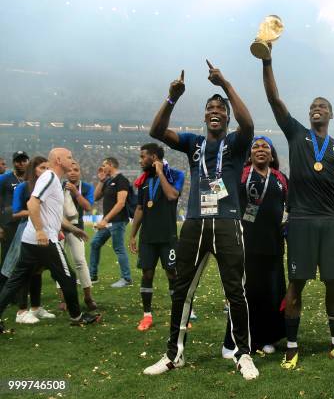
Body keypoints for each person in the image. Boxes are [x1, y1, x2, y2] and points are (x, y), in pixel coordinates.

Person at [143, 62, 259, 380]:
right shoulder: (193, 143)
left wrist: (226, 85)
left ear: (227, 116)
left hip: (227, 221)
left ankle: (243, 354)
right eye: (210, 107)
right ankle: (174, 354)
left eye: (220, 108)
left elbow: (248, 124)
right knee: (182, 290)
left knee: (235, 290)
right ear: (205, 115)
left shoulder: (235, 144)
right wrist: (171, 97)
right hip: (195, 222)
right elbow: (156, 132)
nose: (215, 111)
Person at [262, 50, 334, 370]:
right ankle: (291, 347)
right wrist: (267, 61)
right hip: (301, 221)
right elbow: (275, 100)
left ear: (330, 115)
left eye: (322, 107)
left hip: (330, 222)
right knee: (296, 284)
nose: (317, 109)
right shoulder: (296, 134)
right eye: (313, 107)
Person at [0, 148, 100, 334]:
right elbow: (32, 203)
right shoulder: (51, 178)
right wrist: (40, 231)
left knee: (16, 280)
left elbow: (50, 212)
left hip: (32, 239)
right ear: (59, 160)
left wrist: (72, 228)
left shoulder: (53, 179)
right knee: (68, 278)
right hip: (44, 239)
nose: (72, 160)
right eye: (69, 157)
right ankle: (77, 317)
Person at [221, 136, 288, 358]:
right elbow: (219, 192)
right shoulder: (239, 174)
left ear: (271, 154)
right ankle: (233, 341)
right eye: (256, 147)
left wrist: (287, 228)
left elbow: (292, 207)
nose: (260, 150)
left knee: (271, 292)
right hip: (244, 243)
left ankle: (266, 337)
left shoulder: (280, 178)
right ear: (249, 154)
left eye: (265, 147)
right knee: (244, 292)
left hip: (273, 245)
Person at [129, 143, 185, 331]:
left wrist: (160, 173)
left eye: (143, 156)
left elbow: (171, 196)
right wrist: (133, 235)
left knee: (172, 273)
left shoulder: (175, 175)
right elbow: (139, 209)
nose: (140, 160)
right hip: (148, 237)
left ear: (154, 157)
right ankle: (147, 316)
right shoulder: (143, 180)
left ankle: (179, 315)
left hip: (168, 236)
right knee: (147, 274)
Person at [2, 156, 55, 324]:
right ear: (33, 170)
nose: (46, 171)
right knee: (24, 270)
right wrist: (35, 212)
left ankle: (36, 308)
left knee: (38, 270)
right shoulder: (23, 187)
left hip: (45, 231)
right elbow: (16, 212)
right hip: (25, 231)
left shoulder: (49, 187)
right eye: (42, 168)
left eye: (48, 168)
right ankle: (22, 311)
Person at [57, 163, 97, 311]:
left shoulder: (86, 187)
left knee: (80, 261)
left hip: (76, 229)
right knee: (60, 263)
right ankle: (63, 299)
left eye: (76, 170)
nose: (72, 173)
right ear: (66, 172)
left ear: (80, 172)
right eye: (70, 170)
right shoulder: (58, 186)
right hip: (58, 229)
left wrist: (76, 192)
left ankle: (88, 297)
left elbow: (88, 207)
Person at [89, 157, 132, 287]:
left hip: (118, 220)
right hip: (108, 222)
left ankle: (127, 279)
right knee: (95, 243)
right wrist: (101, 181)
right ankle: (92, 276)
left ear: (111, 164)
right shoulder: (108, 181)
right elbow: (95, 197)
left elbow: (121, 203)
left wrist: (105, 219)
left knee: (118, 248)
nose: (102, 167)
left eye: (104, 165)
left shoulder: (121, 180)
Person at [0, 151, 29, 289]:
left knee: (23, 258)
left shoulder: (32, 179)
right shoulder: (5, 179)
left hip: (26, 224)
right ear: (14, 163)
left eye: (24, 160)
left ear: (28, 162)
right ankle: (4, 290)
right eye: (18, 161)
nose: (21, 163)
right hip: (9, 224)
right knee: (7, 258)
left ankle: (18, 291)